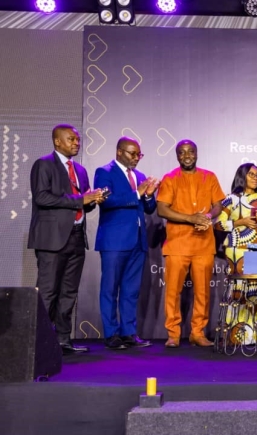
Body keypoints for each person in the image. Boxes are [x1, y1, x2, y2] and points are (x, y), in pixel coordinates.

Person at [28, 124, 106, 354]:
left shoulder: (80, 170)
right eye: (71, 139)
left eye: (78, 140)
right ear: (57, 142)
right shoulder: (44, 164)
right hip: (51, 240)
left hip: (76, 237)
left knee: (69, 292)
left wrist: (92, 201)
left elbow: (82, 205)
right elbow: (42, 197)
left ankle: (63, 340)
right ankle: (39, 341)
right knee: (48, 291)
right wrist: (79, 200)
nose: (76, 143)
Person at [156, 139, 226, 348]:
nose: (187, 156)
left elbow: (218, 205)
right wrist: (190, 218)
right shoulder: (170, 179)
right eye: (182, 152)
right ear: (177, 156)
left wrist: (207, 216)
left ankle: (198, 332)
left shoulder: (209, 176)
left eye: (191, 152)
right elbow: (162, 209)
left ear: (197, 153)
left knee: (203, 291)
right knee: (173, 292)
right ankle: (173, 334)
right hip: (177, 243)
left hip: (204, 244)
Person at [94, 137, 159, 350]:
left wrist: (149, 196)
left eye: (139, 154)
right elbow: (106, 201)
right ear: (119, 152)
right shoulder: (104, 172)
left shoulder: (139, 176)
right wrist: (137, 193)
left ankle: (129, 333)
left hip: (137, 241)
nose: (137, 158)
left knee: (131, 290)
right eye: (133, 154)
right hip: (114, 241)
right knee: (110, 289)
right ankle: (111, 334)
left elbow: (148, 209)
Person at [215, 163, 257, 346]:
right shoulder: (230, 199)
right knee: (238, 292)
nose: (256, 178)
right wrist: (239, 222)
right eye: (251, 174)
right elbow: (218, 224)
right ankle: (238, 335)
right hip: (237, 250)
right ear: (242, 176)